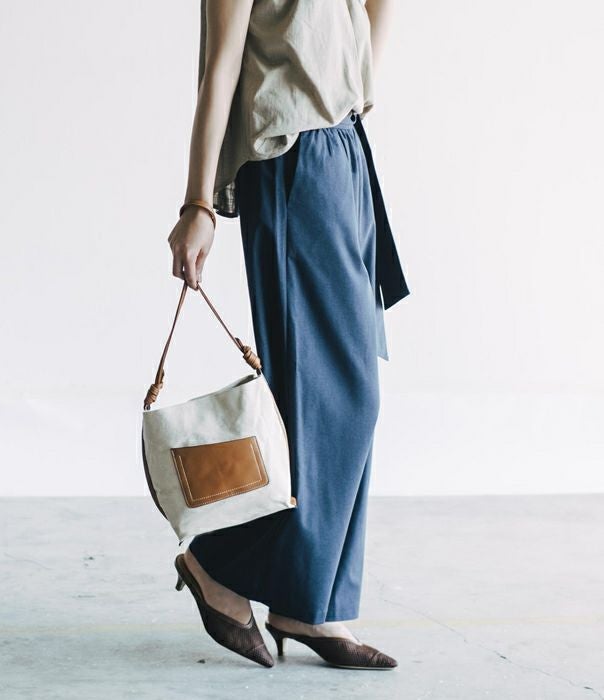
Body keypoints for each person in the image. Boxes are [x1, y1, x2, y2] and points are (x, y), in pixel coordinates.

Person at [167, 0, 409, 670]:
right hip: (291, 154)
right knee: (330, 398)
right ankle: (216, 565)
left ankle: (308, 602)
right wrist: (198, 203)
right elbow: (219, 67)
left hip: (345, 147)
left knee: (338, 399)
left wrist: (354, 87)